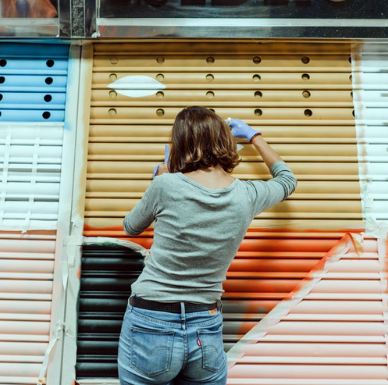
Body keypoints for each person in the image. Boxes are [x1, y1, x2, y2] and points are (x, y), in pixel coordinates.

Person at [118, 106, 297, 385]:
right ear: (224, 140)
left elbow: (131, 226)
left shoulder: (166, 186)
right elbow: (287, 180)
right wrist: (254, 137)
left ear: (181, 142)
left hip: (150, 320)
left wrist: (159, 180)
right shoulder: (247, 194)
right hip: (206, 324)